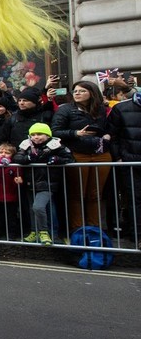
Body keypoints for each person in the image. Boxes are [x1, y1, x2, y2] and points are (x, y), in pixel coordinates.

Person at [51, 80, 112, 232]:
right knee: (77, 194)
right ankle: (78, 229)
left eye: (81, 91)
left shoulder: (101, 110)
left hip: (101, 153)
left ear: (92, 93)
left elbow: (108, 128)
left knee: (95, 194)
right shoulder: (65, 110)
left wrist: (107, 135)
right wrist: (76, 133)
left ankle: (94, 229)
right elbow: (55, 131)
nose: (77, 93)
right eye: (75, 91)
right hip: (78, 154)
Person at [13, 123, 74, 245]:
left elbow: (69, 158)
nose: (36, 137)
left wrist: (57, 160)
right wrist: (29, 158)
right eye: (33, 134)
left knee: (38, 207)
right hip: (30, 183)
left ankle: (44, 232)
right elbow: (17, 158)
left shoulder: (56, 145)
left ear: (47, 135)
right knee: (32, 209)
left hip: (48, 183)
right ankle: (34, 231)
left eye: (40, 134)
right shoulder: (26, 145)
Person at [107, 86, 141, 241]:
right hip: (130, 161)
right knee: (135, 199)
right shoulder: (120, 108)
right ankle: (137, 235)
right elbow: (112, 136)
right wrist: (119, 157)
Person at [0, 142, 23, 241]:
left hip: (11, 196)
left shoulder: (14, 165)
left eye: (7, 152)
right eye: (1, 152)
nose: (3, 154)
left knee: (11, 217)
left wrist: (18, 181)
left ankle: (11, 234)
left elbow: (18, 178)